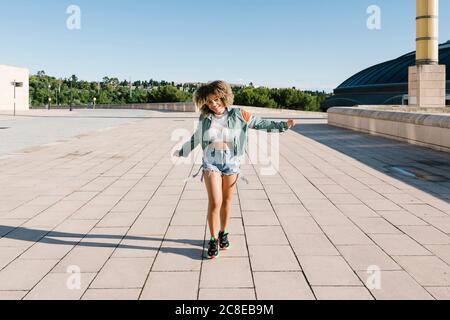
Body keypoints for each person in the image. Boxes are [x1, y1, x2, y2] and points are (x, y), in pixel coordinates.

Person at [174, 81, 295, 259]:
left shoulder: (240, 114)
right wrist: (183, 151)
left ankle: (224, 233)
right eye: (209, 101)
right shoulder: (205, 118)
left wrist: (283, 126)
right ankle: (213, 240)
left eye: (216, 100)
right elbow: (197, 137)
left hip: (232, 162)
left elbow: (260, 123)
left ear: (224, 97)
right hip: (211, 161)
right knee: (215, 201)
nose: (213, 104)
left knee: (227, 201)